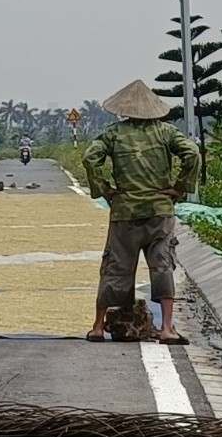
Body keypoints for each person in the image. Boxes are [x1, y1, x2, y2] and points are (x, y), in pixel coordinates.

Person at [82, 79, 200, 345]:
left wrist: (104, 188)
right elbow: (192, 153)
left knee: (115, 267)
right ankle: (168, 328)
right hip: (160, 211)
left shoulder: (114, 134)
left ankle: (98, 326)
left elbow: (90, 158)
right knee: (162, 265)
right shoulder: (166, 133)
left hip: (125, 212)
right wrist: (180, 187)